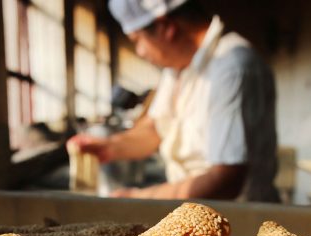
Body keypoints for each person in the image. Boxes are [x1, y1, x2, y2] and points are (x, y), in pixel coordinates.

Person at [68, 0, 280, 202]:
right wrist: (108, 147)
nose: (139, 52)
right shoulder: (177, 69)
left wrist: (139, 199)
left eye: (137, 40)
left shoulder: (231, 67)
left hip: (242, 223)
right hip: (193, 215)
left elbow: (226, 180)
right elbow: (155, 129)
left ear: (165, 27)